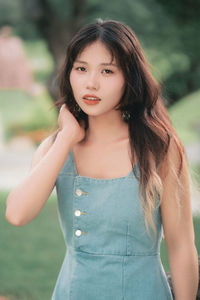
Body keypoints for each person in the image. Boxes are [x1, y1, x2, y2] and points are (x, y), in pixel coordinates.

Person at [6, 19, 199, 300]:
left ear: (129, 78)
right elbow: (17, 214)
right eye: (81, 69)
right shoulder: (56, 148)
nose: (91, 83)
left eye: (107, 71)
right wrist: (66, 138)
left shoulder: (160, 149)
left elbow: (182, 247)